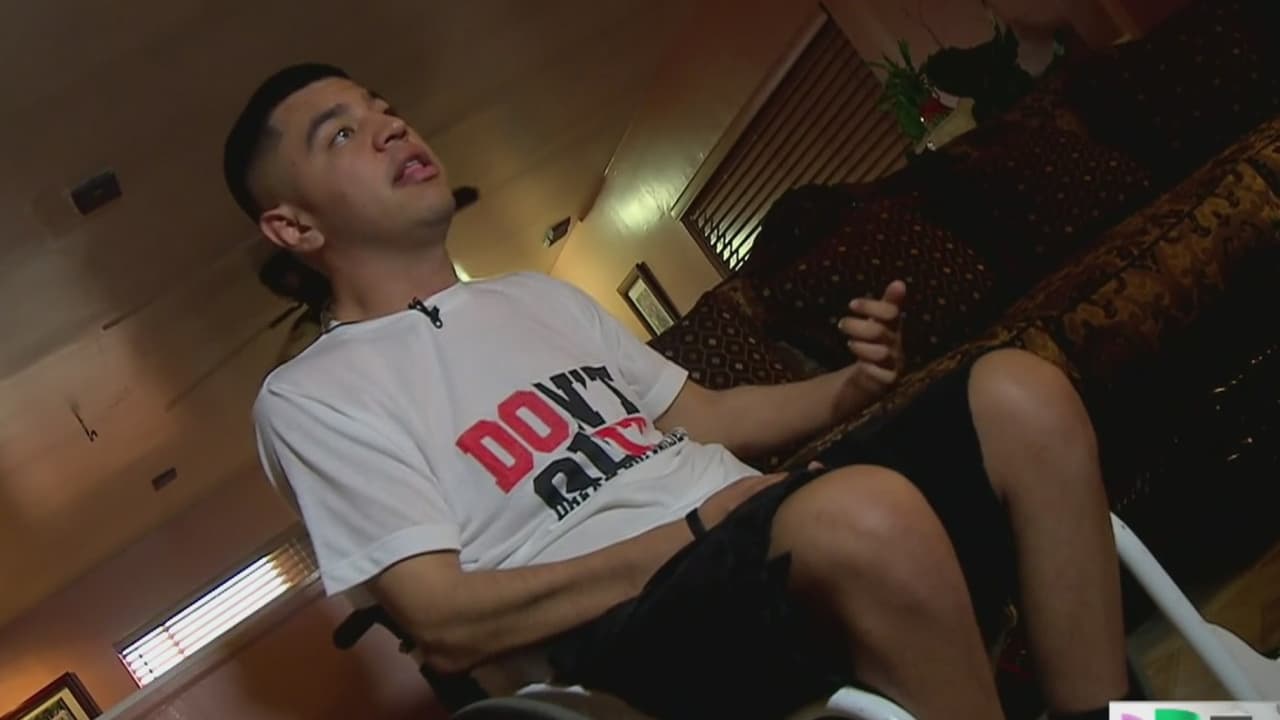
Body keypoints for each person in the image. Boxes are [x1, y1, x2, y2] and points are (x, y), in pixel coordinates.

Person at [227, 63, 1130, 720]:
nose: (391, 127)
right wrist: (702, 525)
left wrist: (854, 386)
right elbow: (445, 623)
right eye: (341, 133)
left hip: (762, 535)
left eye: (385, 109)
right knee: (860, 513)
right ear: (293, 226)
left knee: (1019, 392)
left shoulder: (535, 298)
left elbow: (707, 417)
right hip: (625, 641)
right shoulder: (313, 396)